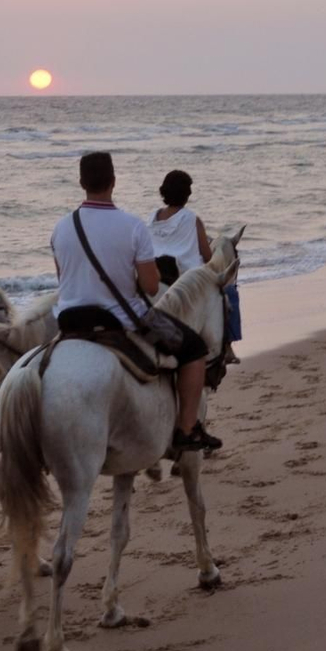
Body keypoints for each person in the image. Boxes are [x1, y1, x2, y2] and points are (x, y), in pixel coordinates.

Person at [52, 152, 221, 452]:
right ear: (114, 182)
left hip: (68, 320)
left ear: (81, 183)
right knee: (194, 349)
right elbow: (151, 285)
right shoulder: (132, 226)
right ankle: (186, 429)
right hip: (117, 319)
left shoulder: (61, 228)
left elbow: (62, 279)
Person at [148, 169, 241, 364]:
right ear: (187, 195)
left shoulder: (151, 218)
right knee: (229, 292)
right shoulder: (191, 219)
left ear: (163, 191)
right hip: (186, 277)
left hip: (156, 273)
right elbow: (207, 256)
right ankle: (228, 346)